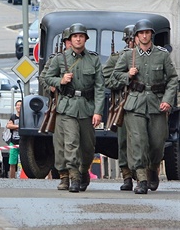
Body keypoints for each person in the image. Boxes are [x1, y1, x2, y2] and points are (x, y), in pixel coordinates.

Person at [112, 19, 178, 194]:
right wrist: (128, 74)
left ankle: (153, 168)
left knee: (157, 143)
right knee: (138, 142)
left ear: (151, 35)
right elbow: (115, 75)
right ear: (136, 36)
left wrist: (168, 99)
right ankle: (141, 179)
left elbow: (172, 78)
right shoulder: (128, 56)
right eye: (141, 33)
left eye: (147, 32)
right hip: (135, 104)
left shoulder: (162, 55)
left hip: (157, 103)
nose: (144, 35)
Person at [43, 23, 104, 193]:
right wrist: (60, 81)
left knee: (87, 147)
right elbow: (47, 77)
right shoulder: (59, 59)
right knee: (70, 143)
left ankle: (84, 172)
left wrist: (98, 111)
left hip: (87, 107)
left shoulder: (93, 59)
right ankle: (73, 177)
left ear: (85, 39)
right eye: (75, 36)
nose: (78, 39)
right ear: (70, 40)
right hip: (67, 107)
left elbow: (99, 87)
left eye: (81, 36)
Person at [102, 25, 135, 191]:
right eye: (130, 39)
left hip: (144, 105)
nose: (132, 42)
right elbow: (108, 79)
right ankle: (127, 175)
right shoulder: (117, 58)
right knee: (123, 142)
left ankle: (147, 171)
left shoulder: (151, 56)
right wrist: (125, 79)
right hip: (124, 104)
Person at [39, 27, 71, 96]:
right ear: (65, 42)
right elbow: (43, 77)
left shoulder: (86, 58)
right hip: (60, 98)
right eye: (68, 40)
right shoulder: (56, 58)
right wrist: (50, 88)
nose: (71, 43)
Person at [6, 100, 22, 178]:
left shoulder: (25, 117)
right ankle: (11, 180)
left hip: (23, 144)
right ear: (15, 107)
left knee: (24, 163)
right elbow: (8, 126)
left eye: (20, 105)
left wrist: (14, 126)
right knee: (12, 163)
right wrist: (18, 127)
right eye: (17, 105)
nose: (19, 107)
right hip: (13, 143)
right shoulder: (13, 116)